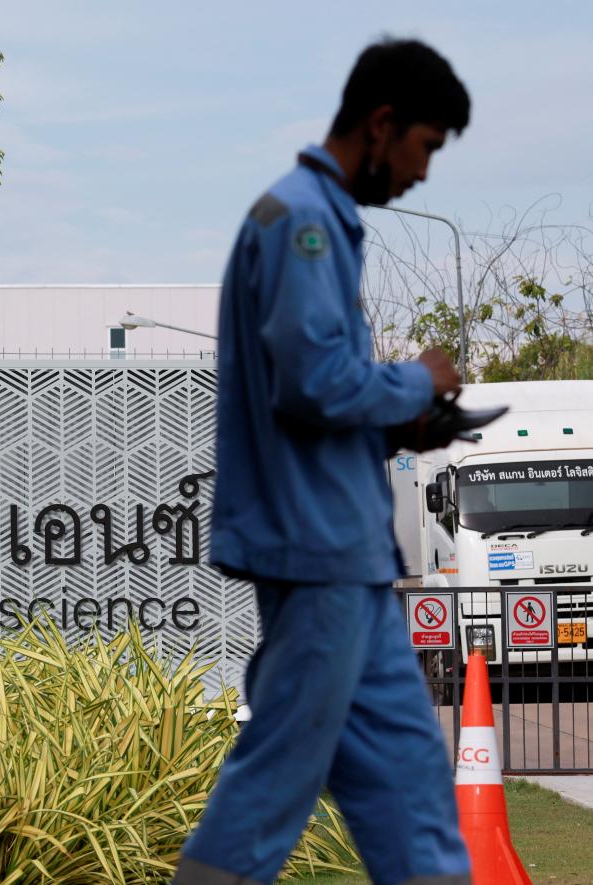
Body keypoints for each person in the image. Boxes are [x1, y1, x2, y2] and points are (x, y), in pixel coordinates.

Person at [173, 39, 472, 885]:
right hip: (320, 555)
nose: (421, 173)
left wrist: (399, 428)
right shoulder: (303, 220)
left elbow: (309, 398)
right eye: (425, 147)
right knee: (271, 785)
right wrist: (419, 378)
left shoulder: (311, 216)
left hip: (351, 559)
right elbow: (314, 380)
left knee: (412, 788)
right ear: (382, 126)